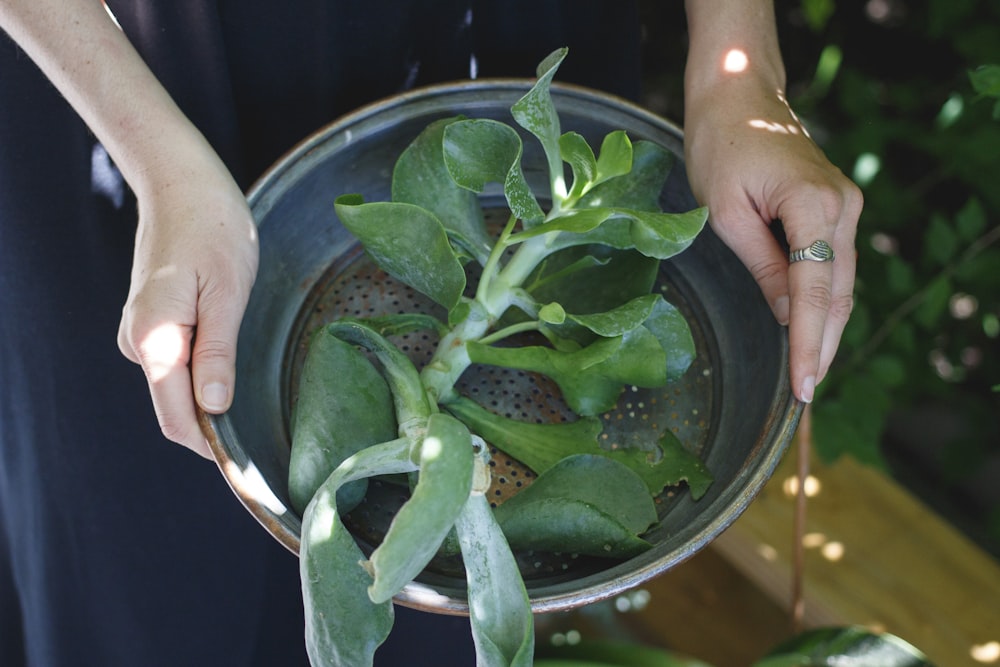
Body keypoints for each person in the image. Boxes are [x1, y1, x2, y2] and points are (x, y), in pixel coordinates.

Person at [0, 1, 861, 665]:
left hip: (519, 53)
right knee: (144, 581)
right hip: (130, 76)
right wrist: (156, 157)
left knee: (444, 589)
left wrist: (739, 67)